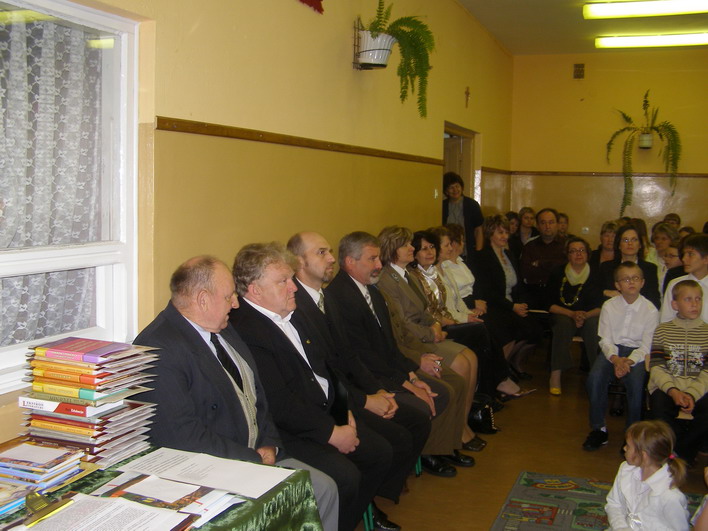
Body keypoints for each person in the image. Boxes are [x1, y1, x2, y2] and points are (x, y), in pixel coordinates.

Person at [133, 256, 339, 531]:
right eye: (229, 296)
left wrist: (270, 444)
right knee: (317, 490)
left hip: (260, 452)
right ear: (203, 300)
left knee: (325, 488)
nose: (236, 304)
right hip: (215, 469)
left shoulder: (224, 328)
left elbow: (258, 394)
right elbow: (183, 438)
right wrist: (254, 458)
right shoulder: (158, 349)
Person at [230, 243, 397, 531]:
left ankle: (349, 516)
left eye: (291, 279)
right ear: (255, 291)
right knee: (344, 477)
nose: (293, 287)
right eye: (283, 281)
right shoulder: (246, 330)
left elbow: (326, 367)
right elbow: (279, 403)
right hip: (289, 430)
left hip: (324, 410)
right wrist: (332, 432)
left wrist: (343, 411)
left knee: (380, 452)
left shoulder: (294, 313)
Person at [286, 231, 431, 509]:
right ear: (298, 261)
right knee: (384, 446)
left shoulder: (324, 298)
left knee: (411, 424)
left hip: (347, 390)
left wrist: (378, 391)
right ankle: (367, 505)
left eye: (329, 251)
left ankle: (376, 495)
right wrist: (363, 401)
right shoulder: (294, 307)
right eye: (321, 253)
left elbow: (349, 356)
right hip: (330, 400)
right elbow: (322, 373)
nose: (331, 258)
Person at [325, 231, 478, 478]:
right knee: (435, 395)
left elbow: (389, 345)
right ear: (351, 262)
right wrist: (407, 383)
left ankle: (443, 446)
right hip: (369, 378)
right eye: (372, 259)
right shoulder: (340, 297)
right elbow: (362, 357)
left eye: (379, 258)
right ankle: (429, 452)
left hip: (387, 367)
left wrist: (412, 376)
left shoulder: (371, 290)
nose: (379, 265)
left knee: (451, 382)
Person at [413, 227, 529, 400]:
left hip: (455, 317)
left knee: (485, 327)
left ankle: (493, 386)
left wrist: (468, 314)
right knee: (481, 330)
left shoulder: (441, 269)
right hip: (444, 324)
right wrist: (464, 318)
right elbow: (437, 310)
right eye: (446, 245)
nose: (450, 248)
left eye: (432, 247)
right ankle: (494, 385)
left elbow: (457, 300)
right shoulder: (422, 276)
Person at [583, 262, 659, 451]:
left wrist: (629, 361)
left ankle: (632, 434)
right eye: (625, 279)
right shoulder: (609, 306)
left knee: (636, 385)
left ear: (642, 282)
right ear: (617, 285)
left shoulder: (650, 310)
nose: (631, 282)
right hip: (613, 351)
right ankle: (599, 429)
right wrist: (616, 359)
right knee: (594, 378)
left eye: (635, 278)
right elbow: (605, 340)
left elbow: (647, 345)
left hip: (637, 354)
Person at [473, 215, 542, 380]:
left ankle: (512, 363)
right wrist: (512, 307)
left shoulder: (509, 255)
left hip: (510, 304)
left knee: (536, 331)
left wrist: (521, 304)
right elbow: (488, 292)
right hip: (494, 306)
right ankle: (498, 374)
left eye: (506, 232)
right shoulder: (483, 257)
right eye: (500, 232)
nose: (505, 236)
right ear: (490, 234)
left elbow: (517, 284)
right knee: (509, 331)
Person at [648, 280, 708, 464]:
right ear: (675, 304)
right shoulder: (662, 330)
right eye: (688, 299)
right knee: (659, 409)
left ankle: (680, 454)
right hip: (668, 387)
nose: (695, 304)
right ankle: (680, 452)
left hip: (698, 389)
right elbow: (657, 367)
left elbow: (707, 372)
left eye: (698, 299)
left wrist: (692, 394)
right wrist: (673, 391)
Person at [605, 420, 689, 531]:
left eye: (628, 446)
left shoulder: (670, 496)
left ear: (643, 455)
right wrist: (621, 527)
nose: (624, 448)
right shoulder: (626, 469)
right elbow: (614, 504)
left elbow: (679, 528)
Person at [547, 237, 602, 395]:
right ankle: (555, 375)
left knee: (593, 325)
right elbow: (549, 304)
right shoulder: (557, 272)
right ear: (567, 255)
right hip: (564, 314)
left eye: (582, 250)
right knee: (562, 324)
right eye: (573, 251)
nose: (578, 254)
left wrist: (585, 315)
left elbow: (602, 305)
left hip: (590, 316)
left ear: (588, 253)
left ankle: (596, 374)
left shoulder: (597, 273)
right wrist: (572, 314)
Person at [599, 224, 661, 309]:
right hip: (613, 311)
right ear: (619, 245)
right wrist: (606, 292)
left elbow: (655, 301)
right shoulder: (606, 267)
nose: (630, 243)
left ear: (640, 245)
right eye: (625, 240)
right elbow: (596, 293)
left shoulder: (650, 269)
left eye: (634, 240)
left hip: (641, 312)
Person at [520, 208, 567, 310]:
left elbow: (565, 270)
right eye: (543, 223)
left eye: (551, 222)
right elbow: (526, 272)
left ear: (557, 224)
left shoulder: (567, 246)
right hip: (534, 293)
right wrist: (553, 266)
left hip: (560, 294)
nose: (547, 226)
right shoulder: (529, 246)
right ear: (537, 226)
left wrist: (540, 263)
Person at [661, 233, 708, 323]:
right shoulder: (675, 284)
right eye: (684, 254)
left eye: (690, 254)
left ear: (706, 259)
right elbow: (666, 320)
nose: (684, 259)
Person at [441, 171, 484, 258]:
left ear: (461, 187)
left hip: (468, 252)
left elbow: (478, 230)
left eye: (457, 186)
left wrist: (478, 252)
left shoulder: (472, 205)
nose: (455, 190)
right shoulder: (442, 206)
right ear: (446, 191)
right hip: (448, 252)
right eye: (451, 187)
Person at [651, 222, 680, 289]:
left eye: (664, 239)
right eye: (657, 238)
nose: (659, 242)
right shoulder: (648, 256)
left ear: (672, 240)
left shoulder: (676, 259)